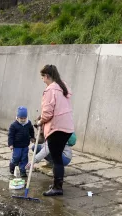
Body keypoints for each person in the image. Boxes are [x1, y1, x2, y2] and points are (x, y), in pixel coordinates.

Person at [37, 65, 74, 197]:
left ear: (47, 76)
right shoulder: (63, 86)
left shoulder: (50, 90)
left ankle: (57, 188)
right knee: (57, 156)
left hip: (56, 128)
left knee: (56, 158)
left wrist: (40, 121)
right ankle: (56, 184)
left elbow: (47, 113)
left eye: (43, 77)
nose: (42, 80)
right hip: (67, 127)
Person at [8, 106, 35, 178]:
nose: (23, 120)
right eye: (21, 118)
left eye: (24, 118)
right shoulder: (14, 125)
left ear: (26, 117)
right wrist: (10, 144)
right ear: (17, 117)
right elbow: (10, 135)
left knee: (24, 158)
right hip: (16, 145)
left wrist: (32, 137)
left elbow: (31, 130)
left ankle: (23, 170)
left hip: (25, 145)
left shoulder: (28, 123)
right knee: (16, 157)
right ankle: (12, 164)